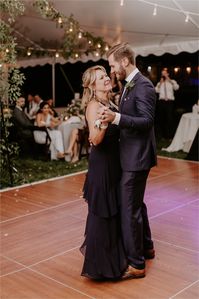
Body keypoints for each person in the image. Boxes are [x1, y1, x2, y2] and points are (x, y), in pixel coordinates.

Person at [99, 43, 157, 279]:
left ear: (124, 61)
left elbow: (146, 121)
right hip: (131, 155)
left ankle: (136, 264)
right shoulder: (128, 84)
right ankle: (147, 246)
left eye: (113, 65)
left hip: (137, 157)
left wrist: (116, 118)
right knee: (137, 204)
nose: (112, 71)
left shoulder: (143, 85)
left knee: (129, 207)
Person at [80, 65, 127, 280]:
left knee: (114, 212)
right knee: (102, 214)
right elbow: (95, 140)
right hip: (102, 167)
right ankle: (101, 266)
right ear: (92, 85)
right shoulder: (93, 106)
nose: (107, 78)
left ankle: (115, 259)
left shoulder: (110, 102)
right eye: (101, 77)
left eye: (106, 75)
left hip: (115, 164)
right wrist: (106, 123)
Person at [155, 68, 179, 139]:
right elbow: (156, 90)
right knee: (162, 119)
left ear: (167, 74)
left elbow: (176, 88)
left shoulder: (172, 81)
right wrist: (160, 83)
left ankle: (170, 136)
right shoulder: (160, 83)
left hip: (169, 102)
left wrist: (169, 80)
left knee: (170, 119)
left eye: (165, 73)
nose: (163, 75)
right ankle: (163, 135)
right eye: (162, 73)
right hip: (161, 102)